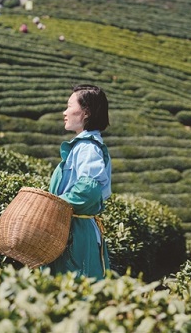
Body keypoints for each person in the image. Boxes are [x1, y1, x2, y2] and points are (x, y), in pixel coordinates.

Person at [44, 84, 112, 279]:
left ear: (86, 113)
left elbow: (88, 190)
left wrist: (53, 206)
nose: (65, 112)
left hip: (78, 235)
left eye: (69, 106)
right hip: (73, 230)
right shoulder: (82, 146)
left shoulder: (87, 147)